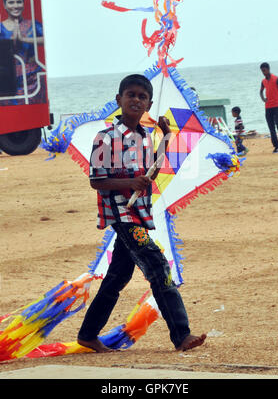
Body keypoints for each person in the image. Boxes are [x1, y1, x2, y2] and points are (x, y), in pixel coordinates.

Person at [77, 74, 206, 353]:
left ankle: (88, 335)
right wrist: (129, 183)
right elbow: (96, 181)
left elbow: (152, 172)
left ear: (148, 103)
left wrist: (167, 137)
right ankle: (181, 335)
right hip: (122, 216)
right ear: (119, 100)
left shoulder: (145, 137)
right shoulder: (106, 138)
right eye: (131, 95)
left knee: (117, 278)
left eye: (142, 96)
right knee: (157, 264)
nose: (136, 100)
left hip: (139, 214)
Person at [0, 0, 45, 105]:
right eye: (11, 2)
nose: (15, 6)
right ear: (4, 5)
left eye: (19, 2)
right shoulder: (0, 27)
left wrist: (24, 39)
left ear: (23, 3)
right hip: (8, 82)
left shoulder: (33, 24)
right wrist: (10, 42)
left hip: (33, 82)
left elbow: (46, 39)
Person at [260, 62, 278, 153]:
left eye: (264, 70)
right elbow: (261, 91)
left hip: (277, 106)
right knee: (271, 128)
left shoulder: (277, 79)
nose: (263, 72)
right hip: (268, 107)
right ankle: (277, 147)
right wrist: (263, 99)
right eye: (262, 71)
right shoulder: (263, 81)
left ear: (268, 69)